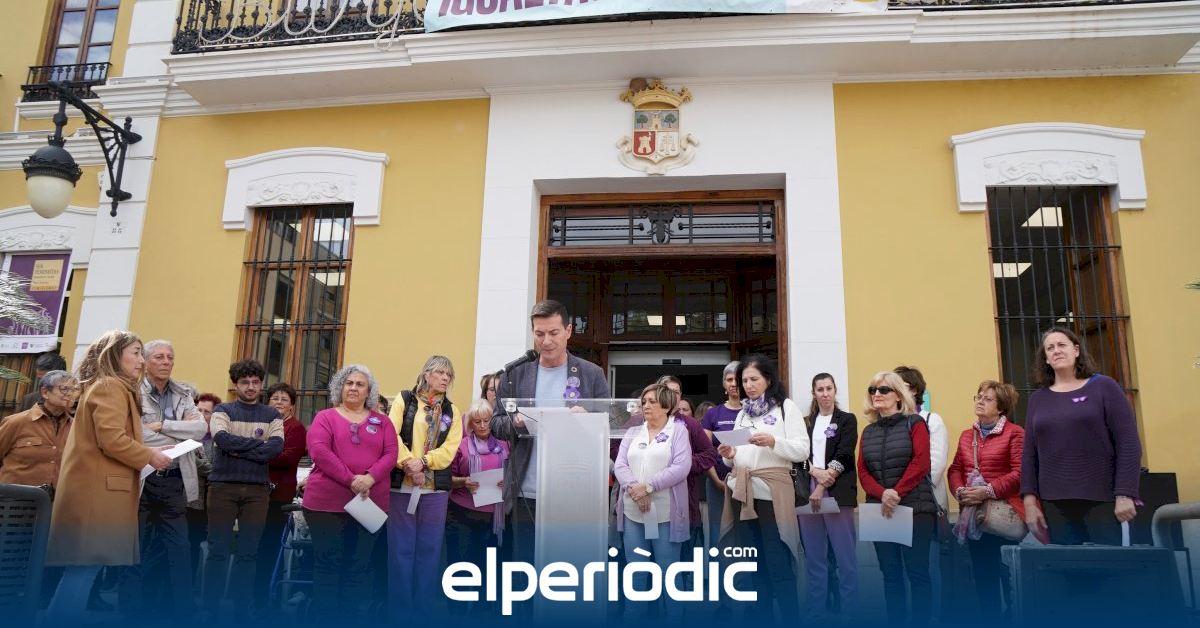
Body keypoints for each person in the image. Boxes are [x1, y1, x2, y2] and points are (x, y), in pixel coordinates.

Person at [45, 331, 172, 623]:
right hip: (97, 494)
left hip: (97, 491)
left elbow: (113, 437)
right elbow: (112, 439)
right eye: (136, 352)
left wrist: (150, 451)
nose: (142, 361)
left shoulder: (109, 386)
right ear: (115, 355)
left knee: (84, 569)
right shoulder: (110, 386)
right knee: (83, 568)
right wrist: (149, 456)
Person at [490, 300, 609, 567]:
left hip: (573, 490)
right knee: (523, 572)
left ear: (568, 331)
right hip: (527, 491)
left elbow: (608, 424)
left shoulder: (591, 374)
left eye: (554, 333)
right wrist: (516, 422)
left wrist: (588, 420)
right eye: (539, 333)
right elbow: (496, 424)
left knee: (565, 571)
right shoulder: (514, 374)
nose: (546, 341)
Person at [1021, 326, 1141, 546]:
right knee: (1068, 565)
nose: (1056, 350)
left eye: (1062, 345)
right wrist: (1029, 503)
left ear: (1076, 350)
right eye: (1050, 348)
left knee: (1109, 565)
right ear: (1046, 358)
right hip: (1054, 503)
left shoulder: (1104, 387)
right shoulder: (1038, 399)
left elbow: (1129, 443)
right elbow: (1029, 453)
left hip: (1102, 498)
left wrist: (1125, 493)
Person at [716, 354, 808, 621]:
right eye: (744, 381)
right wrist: (729, 453)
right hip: (744, 493)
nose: (749, 385)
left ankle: (791, 618)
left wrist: (773, 442)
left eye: (754, 379)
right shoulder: (743, 413)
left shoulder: (785, 407)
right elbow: (737, 454)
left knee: (777, 560)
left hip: (772, 494)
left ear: (768, 379)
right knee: (753, 562)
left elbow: (802, 450)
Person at [121, 339, 208, 616]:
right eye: (159, 357)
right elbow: (135, 435)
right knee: (135, 546)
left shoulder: (183, 392)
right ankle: (131, 611)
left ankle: (182, 611)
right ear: (145, 361)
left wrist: (163, 425)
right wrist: (177, 433)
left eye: (170, 357)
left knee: (180, 547)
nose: (166, 362)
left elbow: (200, 429)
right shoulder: (132, 391)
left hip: (174, 479)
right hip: (141, 478)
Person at [304, 365, 397, 621]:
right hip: (325, 506)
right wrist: (351, 480)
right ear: (340, 387)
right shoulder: (325, 417)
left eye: (360, 384)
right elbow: (319, 451)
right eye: (349, 383)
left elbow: (391, 454)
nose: (353, 388)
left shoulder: (383, 422)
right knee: (328, 565)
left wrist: (370, 478)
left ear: (369, 392)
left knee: (359, 567)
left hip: (370, 505)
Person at [204, 360, 284, 620]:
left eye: (255, 382)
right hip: (222, 487)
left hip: (257, 491)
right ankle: (211, 611)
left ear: (261, 384)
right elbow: (221, 439)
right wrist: (257, 445)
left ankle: (241, 611)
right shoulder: (222, 410)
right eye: (245, 382)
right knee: (218, 550)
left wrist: (238, 450)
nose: (251, 387)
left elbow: (275, 448)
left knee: (248, 552)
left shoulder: (272, 415)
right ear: (235, 384)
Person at [858, 371, 937, 626]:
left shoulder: (915, 423)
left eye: (883, 390)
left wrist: (896, 492)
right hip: (879, 509)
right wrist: (883, 493)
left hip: (915, 507)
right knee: (890, 575)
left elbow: (921, 463)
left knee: (917, 573)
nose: (877, 394)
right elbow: (862, 471)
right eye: (873, 390)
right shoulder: (868, 431)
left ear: (899, 396)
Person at [387, 355, 464, 618]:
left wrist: (423, 462)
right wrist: (408, 463)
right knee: (401, 550)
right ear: (427, 374)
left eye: (449, 375)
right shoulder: (405, 400)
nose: (445, 378)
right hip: (402, 486)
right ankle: (400, 612)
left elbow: (450, 450)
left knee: (429, 552)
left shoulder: (452, 412)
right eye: (440, 372)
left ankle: (423, 612)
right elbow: (391, 435)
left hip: (434, 491)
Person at [613, 383, 693, 619]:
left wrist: (648, 487)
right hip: (633, 512)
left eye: (652, 401)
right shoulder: (632, 431)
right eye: (644, 401)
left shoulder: (678, 431)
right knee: (636, 572)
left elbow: (681, 467)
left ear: (666, 406)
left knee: (669, 573)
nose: (645, 405)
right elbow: (620, 465)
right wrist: (634, 489)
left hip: (666, 514)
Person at [949, 380, 1024, 619]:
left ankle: (1012, 618)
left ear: (1001, 407)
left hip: (1004, 513)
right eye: (978, 396)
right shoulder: (966, 435)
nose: (980, 401)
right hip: (974, 514)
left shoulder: (1015, 433)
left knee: (1008, 574)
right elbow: (955, 469)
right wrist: (961, 491)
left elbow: (1020, 473)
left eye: (987, 398)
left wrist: (988, 490)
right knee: (982, 573)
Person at [797, 372, 858, 622]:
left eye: (829, 388)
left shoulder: (847, 420)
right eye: (820, 389)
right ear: (813, 393)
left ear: (835, 390)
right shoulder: (805, 423)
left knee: (845, 558)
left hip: (836, 488)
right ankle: (816, 612)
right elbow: (798, 456)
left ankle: (850, 612)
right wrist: (814, 474)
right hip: (808, 489)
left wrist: (823, 483)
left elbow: (845, 453)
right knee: (814, 558)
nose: (825, 394)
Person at [445, 399, 509, 617]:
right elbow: (446, 478)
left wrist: (508, 482)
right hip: (462, 514)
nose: (482, 426)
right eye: (477, 421)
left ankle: (482, 613)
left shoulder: (505, 445)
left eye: (487, 421)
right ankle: (457, 614)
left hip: (494, 519)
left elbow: (515, 474)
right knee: (460, 567)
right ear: (470, 424)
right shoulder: (461, 445)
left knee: (487, 568)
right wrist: (463, 481)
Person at [654, 374, 718, 571]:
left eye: (677, 392)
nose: (673, 396)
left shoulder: (690, 424)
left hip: (683, 499)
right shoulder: (643, 420)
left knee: (681, 562)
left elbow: (709, 454)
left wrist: (683, 465)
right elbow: (616, 448)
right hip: (649, 499)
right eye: (668, 391)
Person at [254, 382, 307, 606]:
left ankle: (265, 598)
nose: (278, 402)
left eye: (284, 399)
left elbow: (288, 457)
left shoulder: (295, 428)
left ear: (292, 406)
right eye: (275, 398)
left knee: (269, 545)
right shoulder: (260, 423)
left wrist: (255, 453)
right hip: (255, 492)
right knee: (253, 543)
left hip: (278, 495)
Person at [0, 370, 78, 493]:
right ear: (45, 392)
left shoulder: (76, 427)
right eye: (64, 389)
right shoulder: (16, 422)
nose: (70, 394)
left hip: (55, 500)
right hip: (15, 498)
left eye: (74, 389)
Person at [700, 360, 741, 549]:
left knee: (746, 531)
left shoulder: (754, 414)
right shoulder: (713, 414)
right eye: (729, 379)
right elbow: (704, 451)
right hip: (718, 483)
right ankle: (719, 568)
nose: (733, 383)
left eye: (737, 379)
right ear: (724, 384)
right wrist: (716, 480)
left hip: (748, 482)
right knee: (718, 532)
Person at [187, 391, 222, 584]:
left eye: (206, 411)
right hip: (181, 499)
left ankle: (189, 586)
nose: (201, 414)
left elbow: (214, 470)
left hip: (202, 503)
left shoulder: (218, 440)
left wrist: (190, 459)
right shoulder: (186, 435)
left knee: (193, 543)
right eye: (198, 410)